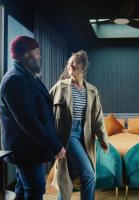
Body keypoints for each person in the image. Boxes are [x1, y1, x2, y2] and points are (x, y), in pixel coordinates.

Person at [0, 35, 66, 200]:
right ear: (27, 54)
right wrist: (55, 146)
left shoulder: (26, 75)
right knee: (35, 189)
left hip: (30, 148)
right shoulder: (15, 79)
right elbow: (29, 122)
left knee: (22, 190)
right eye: (37, 51)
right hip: (26, 150)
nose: (39, 55)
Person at [49, 50, 109, 200]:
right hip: (68, 135)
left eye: (73, 62)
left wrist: (103, 139)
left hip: (85, 136)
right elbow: (45, 109)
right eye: (68, 63)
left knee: (67, 178)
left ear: (82, 67)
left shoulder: (92, 91)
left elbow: (98, 118)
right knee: (89, 175)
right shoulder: (60, 87)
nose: (69, 65)